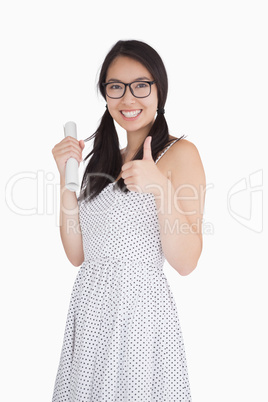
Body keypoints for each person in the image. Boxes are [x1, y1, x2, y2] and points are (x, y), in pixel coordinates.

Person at [51, 39, 206, 401]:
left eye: (141, 85)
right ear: (105, 95)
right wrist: (65, 179)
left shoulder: (180, 153)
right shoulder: (103, 161)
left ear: (158, 90)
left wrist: (160, 189)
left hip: (139, 314)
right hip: (89, 313)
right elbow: (77, 255)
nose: (128, 98)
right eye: (115, 87)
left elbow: (186, 262)